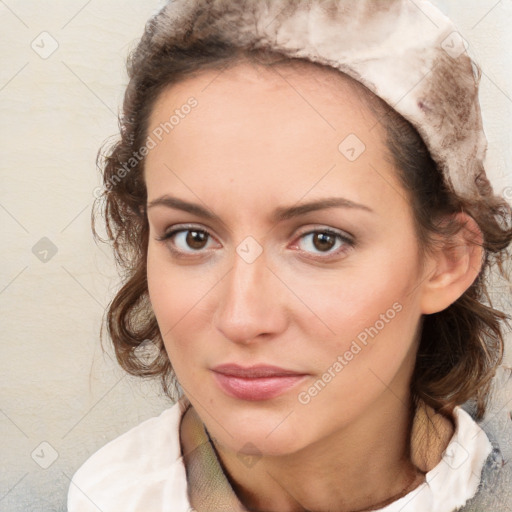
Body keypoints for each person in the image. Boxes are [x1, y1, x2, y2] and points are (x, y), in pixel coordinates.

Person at [67, 0, 512, 510]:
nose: (242, 317)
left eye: (322, 240)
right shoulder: (105, 496)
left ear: (446, 261)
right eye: (192, 237)